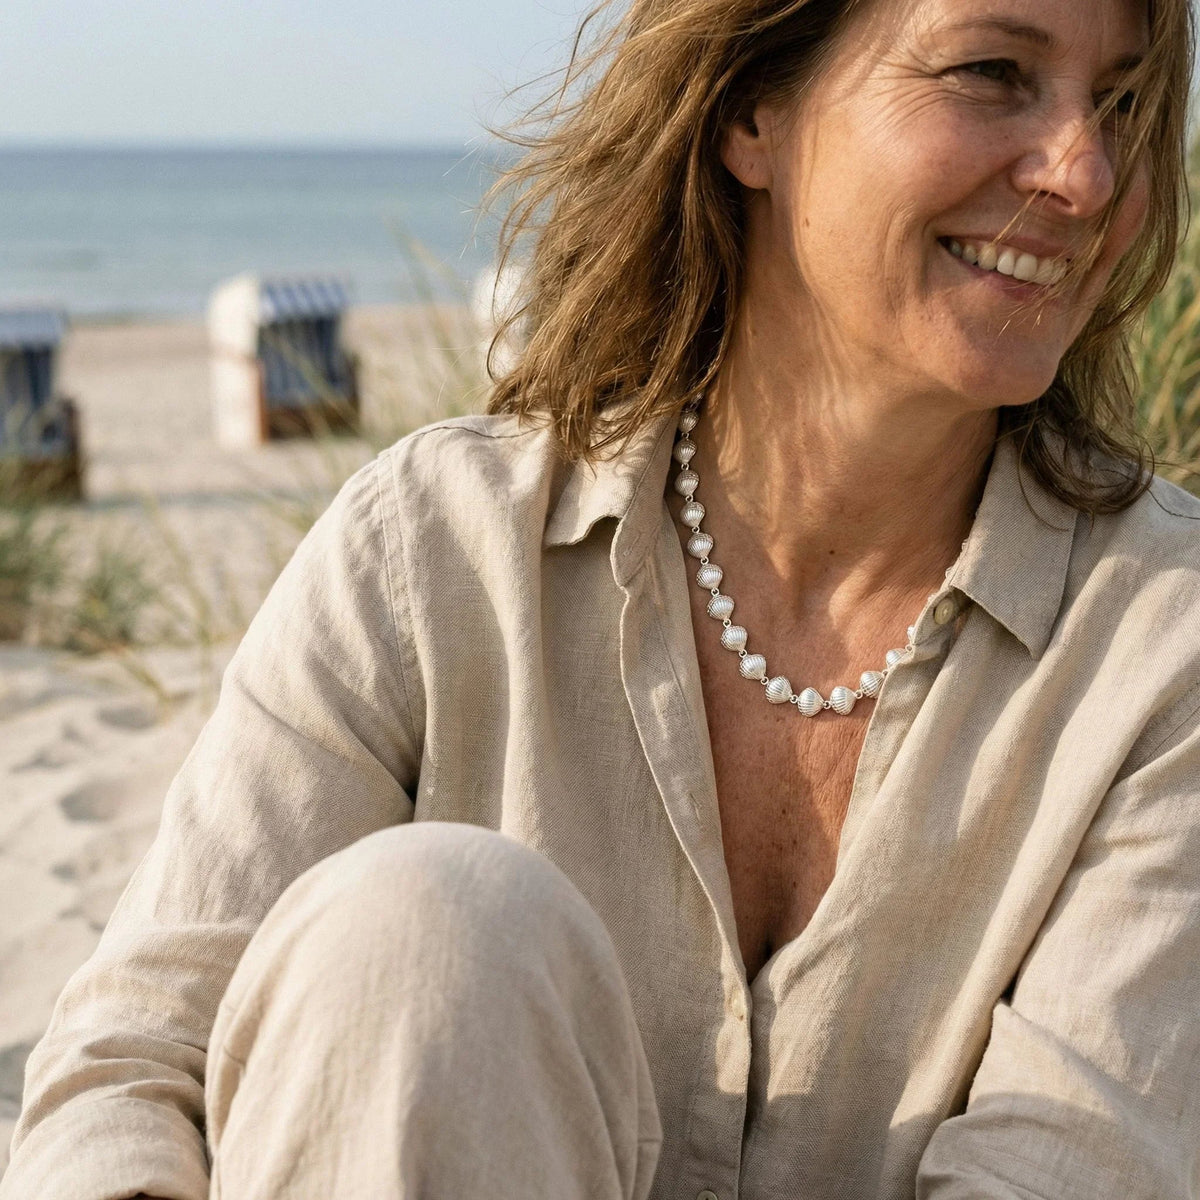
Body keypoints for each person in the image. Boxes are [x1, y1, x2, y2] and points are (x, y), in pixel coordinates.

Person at [4, 0, 1199, 1195]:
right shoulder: (436, 551)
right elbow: (130, 1070)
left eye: (1125, 103)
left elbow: (1066, 1168)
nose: (1086, 174)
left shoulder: (1162, 644)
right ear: (750, 110)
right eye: (992, 73)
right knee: (427, 924)